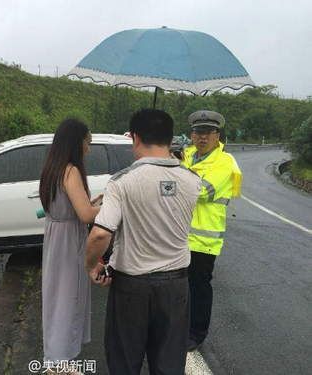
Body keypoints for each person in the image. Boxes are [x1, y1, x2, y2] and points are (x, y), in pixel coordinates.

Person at [85, 109, 201, 375]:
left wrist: (91, 266)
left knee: (124, 361)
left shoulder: (122, 182)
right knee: (170, 364)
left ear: (135, 138)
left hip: (131, 288)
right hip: (176, 286)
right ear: (170, 138)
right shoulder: (193, 181)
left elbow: (101, 234)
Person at [39, 118, 102, 374]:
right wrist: (106, 206)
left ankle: (56, 359)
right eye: (88, 141)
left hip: (56, 237)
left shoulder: (53, 167)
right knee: (68, 297)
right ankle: (60, 364)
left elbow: (73, 207)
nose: (89, 147)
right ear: (77, 141)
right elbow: (86, 215)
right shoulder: (71, 170)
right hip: (69, 241)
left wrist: (91, 202)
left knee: (56, 298)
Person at [181, 110, 243, 351]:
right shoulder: (185, 155)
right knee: (179, 287)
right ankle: (179, 326)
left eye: (208, 132)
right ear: (191, 134)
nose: (202, 137)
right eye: (198, 132)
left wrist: (173, 173)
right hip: (179, 236)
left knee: (199, 287)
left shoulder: (225, 163)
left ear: (218, 135)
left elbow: (200, 191)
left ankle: (196, 332)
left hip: (203, 240)